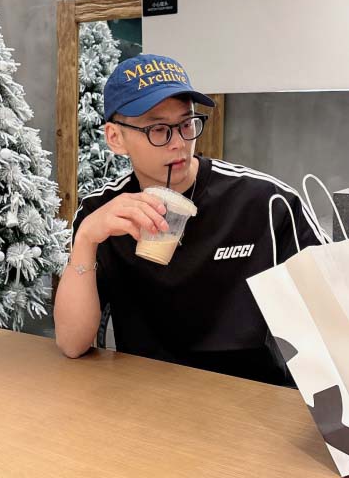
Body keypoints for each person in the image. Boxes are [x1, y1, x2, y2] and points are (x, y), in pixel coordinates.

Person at [54, 53, 323, 385]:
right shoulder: (103, 213)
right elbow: (72, 344)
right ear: (115, 138)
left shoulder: (266, 202)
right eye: (158, 130)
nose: (179, 143)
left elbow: (333, 316)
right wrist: (85, 239)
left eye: (186, 124)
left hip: (249, 394)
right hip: (143, 393)